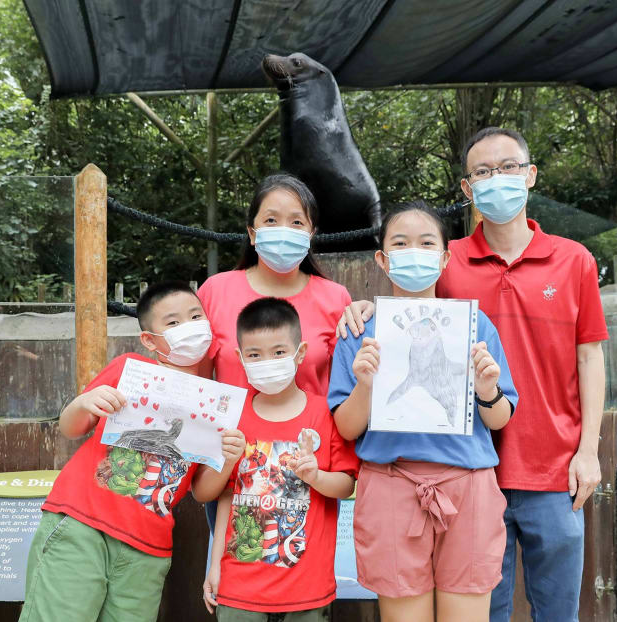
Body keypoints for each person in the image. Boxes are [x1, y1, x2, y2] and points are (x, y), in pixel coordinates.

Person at [338, 128, 608, 622]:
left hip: (552, 463)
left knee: (558, 608)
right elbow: (405, 300)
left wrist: (588, 451)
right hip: (471, 467)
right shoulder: (448, 259)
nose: (496, 179)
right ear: (467, 188)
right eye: (482, 171)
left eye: (508, 167)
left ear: (530, 175)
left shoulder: (575, 260)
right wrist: (356, 309)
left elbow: (590, 357)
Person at [328, 201, 518, 622]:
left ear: (445, 256)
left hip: (467, 487)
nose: (414, 251)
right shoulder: (359, 331)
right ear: (382, 258)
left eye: (426, 242)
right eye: (400, 242)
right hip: (391, 485)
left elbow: (500, 417)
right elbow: (345, 425)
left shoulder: (475, 325)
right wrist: (365, 385)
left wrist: (487, 390)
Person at [19, 281, 246, 622]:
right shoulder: (129, 368)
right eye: (173, 322)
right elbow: (71, 427)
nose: (188, 326)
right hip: (82, 523)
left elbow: (202, 491)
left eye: (195, 316)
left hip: (148, 547)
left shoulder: (218, 402)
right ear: (149, 340)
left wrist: (228, 459)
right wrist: (85, 402)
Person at [198, 173, 352, 530]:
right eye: (271, 220)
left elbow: (339, 392)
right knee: (231, 575)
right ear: (252, 233)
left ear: (311, 233)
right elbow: (198, 381)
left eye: (296, 221)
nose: (283, 229)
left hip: (307, 470)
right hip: (231, 466)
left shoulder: (335, 298)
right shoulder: (215, 292)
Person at [203, 297, 359, 621]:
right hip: (238, 588)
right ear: (240, 358)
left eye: (278, 352)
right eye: (255, 355)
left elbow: (345, 485)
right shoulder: (234, 416)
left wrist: (316, 477)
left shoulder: (324, 414)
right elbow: (225, 497)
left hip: (307, 590)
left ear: (300, 353)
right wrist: (214, 566)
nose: (267, 362)